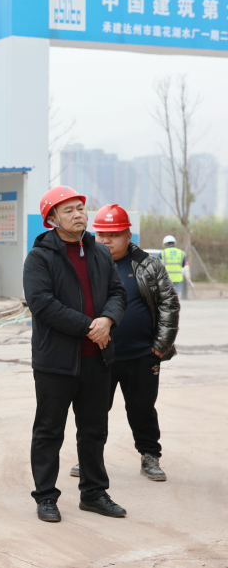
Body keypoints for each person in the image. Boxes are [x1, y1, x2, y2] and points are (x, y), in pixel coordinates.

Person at [23, 186, 127, 523]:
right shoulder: (40, 257)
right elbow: (42, 304)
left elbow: (118, 292)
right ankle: (46, 497)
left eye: (80, 208)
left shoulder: (98, 253)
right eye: (68, 210)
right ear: (51, 219)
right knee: (49, 431)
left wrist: (108, 320)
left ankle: (94, 494)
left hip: (98, 357)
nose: (78, 215)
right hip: (56, 362)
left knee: (94, 430)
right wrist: (89, 326)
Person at [67, 205, 179, 482]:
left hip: (142, 355)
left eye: (114, 234)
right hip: (98, 354)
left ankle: (149, 456)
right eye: (101, 234)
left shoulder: (149, 265)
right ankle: (89, 457)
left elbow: (169, 304)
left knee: (142, 409)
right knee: (93, 410)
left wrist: (160, 347)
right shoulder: (86, 262)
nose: (106, 240)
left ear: (128, 235)